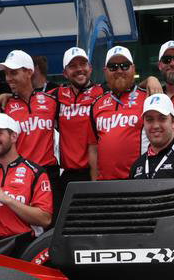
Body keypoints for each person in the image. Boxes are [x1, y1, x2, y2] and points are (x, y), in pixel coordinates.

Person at [0, 113, 52, 239]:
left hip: (25, 245)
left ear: (13, 136)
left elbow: (45, 219)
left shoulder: (36, 173)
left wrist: (7, 200)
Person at [0, 50, 60, 190]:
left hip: (49, 173)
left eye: (13, 72)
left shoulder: (51, 101)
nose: (8, 78)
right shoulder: (4, 106)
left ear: (29, 72)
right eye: (6, 73)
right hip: (20, 173)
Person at [89, 46, 152, 181]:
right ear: (105, 71)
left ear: (133, 69)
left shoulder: (148, 98)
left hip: (139, 181)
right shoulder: (96, 104)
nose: (119, 70)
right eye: (113, 67)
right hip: (105, 185)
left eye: (124, 66)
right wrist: (94, 183)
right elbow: (93, 147)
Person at [55, 47, 104, 200]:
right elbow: (31, 97)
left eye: (82, 64)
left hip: (95, 171)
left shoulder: (103, 92)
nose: (79, 69)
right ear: (65, 73)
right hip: (68, 174)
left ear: (90, 67)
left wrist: (151, 80)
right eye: (72, 66)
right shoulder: (57, 95)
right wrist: (6, 95)